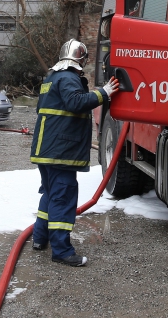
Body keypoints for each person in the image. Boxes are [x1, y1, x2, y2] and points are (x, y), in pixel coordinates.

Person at [30, 39, 120, 267]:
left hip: (47, 150)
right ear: (81, 59)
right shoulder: (69, 77)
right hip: (61, 152)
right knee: (63, 199)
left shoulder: (51, 77)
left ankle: (40, 239)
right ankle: (61, 251)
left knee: (50, 195)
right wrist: (104, 93)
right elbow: (75, 102)